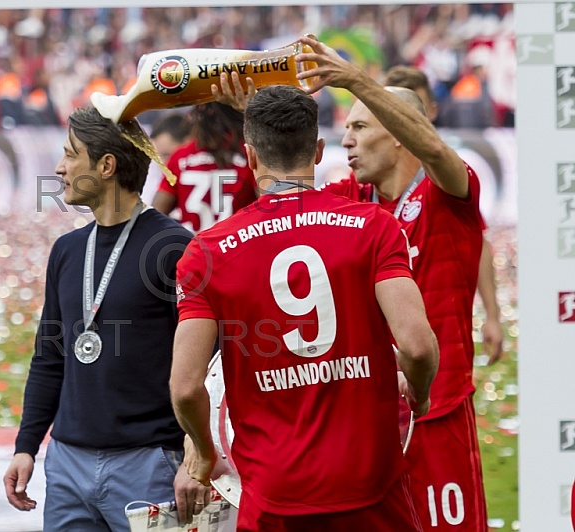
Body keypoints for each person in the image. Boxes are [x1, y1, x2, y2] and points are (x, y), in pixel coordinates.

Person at [171, 84, 439, 530]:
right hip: (371, 487)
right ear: (318, 151)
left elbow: (184, 386)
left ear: (251, 156)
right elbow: (418, 345)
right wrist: (421, 392)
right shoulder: (374, 227)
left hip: (274, 495)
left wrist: (203, 452)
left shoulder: (208, 251)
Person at [293, 35, 488, 531]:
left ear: (398, 133)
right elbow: (284, 198)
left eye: (359, 126)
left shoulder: (449, 194)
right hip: (369, 418)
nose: (346, 141)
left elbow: (433, 146)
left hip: (437, 410)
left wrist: (356, 79)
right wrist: (244, 118)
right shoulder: (352, 200)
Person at [3, 106, 209, 530]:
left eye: (70, 155)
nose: (59, 169)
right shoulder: (67, 250)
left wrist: (194, 454)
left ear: (107, 165)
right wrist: (26, 445)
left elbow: (206, 365)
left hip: (149, 463)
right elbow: (49, 357)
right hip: (67, 465)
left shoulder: (175, 248)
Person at [383, 65, 504, 365]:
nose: (404, 121)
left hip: (444, 342)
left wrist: (492, 313)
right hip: (389, 343)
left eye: (413, 112)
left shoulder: (448, 177)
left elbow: (479, 241)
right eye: (393, 110)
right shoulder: (365, 180)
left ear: (432, 111)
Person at [152, 102, 258, 233]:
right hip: (237, 248)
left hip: (193, 249)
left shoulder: (180, 157)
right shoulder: (251, 153)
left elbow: (155, 214)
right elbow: (270, 204)